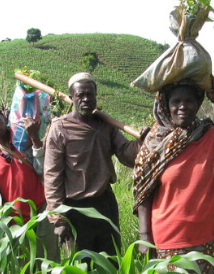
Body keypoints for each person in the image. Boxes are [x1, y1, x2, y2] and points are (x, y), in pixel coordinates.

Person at [133, 77, 214, 273]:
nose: (183, 106)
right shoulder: (154, 144)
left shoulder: (213, 135)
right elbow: (143, 193)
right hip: (169, 239)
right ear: (166, 106)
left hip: (209, 238)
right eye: (176, 102)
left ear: (198, 104)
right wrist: (145, 236)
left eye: (189, 101)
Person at [43, 72, 143, 256]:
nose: (86, 99)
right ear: (72, 97)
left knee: (110, 261)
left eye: (90, 94)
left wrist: (142, 142)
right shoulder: (60, 129)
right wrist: (58, 220)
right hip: (74, 208)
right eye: (80, 95)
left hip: (104, 204)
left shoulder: (105, 125)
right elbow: (52, 176)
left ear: (96, 96)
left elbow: (126, 155)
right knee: (81, 264)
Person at [0, 107, 58, 260]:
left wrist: (34, 137)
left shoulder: (23, 143)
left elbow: (44, 170)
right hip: (15, 223)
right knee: (24, 266)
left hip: (42, 213)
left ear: (5, 118)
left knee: (50, 261)